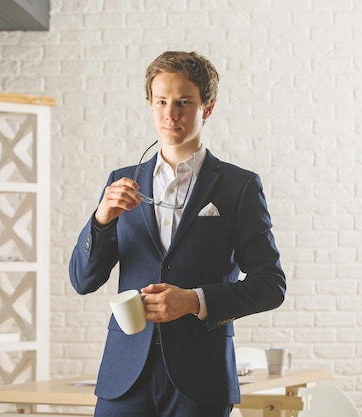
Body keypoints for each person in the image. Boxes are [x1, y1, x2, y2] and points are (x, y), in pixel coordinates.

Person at [69, 50, 286, 417]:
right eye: (161, 101)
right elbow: (83, 280)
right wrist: (101, 218)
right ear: (150, 104)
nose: (171, 114)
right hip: (123, 376)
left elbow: (270, 284)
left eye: (184, 102)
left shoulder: (239, 186)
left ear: (208, 107)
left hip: (201, 380)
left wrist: (194, 301)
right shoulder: (122, 181)